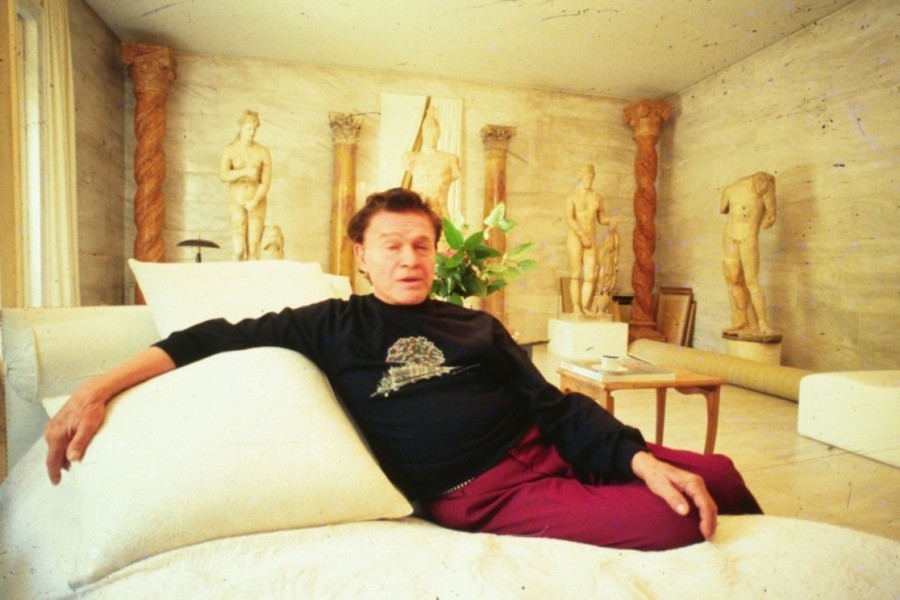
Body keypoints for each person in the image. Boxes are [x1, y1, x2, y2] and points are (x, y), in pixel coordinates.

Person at [45, 188, 761, 552]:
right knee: (673, 520)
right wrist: (96, 388)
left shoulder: (475, 322)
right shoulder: (329, 324)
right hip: (482, 492)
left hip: (549, 446)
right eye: (391, 245)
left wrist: (635, 458)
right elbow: (207, 337)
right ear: (361, 254)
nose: (409, 259)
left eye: (421, 245)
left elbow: (552, 404)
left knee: (719, 475)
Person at [720, 171, 777, 335]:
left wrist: (762, 217)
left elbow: (770, 216)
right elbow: (723, 208)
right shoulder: (729, 189)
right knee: (734, 280)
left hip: (748, 236)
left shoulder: (763, 183)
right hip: (730, 235)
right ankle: (742, 320)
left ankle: (763, 323)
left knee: (751, 281)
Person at [220, 110, 272, 261]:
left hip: (257, 200)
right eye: (249, 128)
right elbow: (223, 175)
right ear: (241, 127)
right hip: (236, 199)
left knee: (253, 249)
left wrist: (254, 200)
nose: (252, 132)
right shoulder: (230, 149)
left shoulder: (262, 152)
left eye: (255, 129)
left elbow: (266, 182)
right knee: (238, 249)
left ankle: (252, 277)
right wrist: (244, 172)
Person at [565, 164, 616, 316]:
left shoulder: (597, 197)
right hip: (576, 237)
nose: (589, 180)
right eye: (586, 177)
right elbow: (569, 218)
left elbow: (601, 218)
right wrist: (581, 235)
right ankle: (576, 307)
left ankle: (584, 307)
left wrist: (610, 220)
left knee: (590, 276)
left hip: (591, 239)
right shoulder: (572, 196)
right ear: (580, 177)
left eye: (591, 177)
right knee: (576, 273)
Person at [403, 106, 460, 220]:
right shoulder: (411, 157)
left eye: (436, 133)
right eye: (429, 132)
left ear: (439, 134)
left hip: (441, 213)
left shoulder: (450, 159)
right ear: (423, 134)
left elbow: (455, 174)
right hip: (417, 213)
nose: (433, 136)